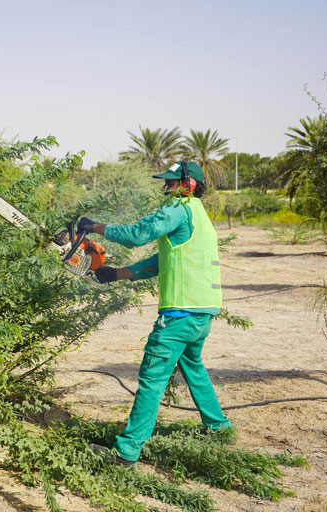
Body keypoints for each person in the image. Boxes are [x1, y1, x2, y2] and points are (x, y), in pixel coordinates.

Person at [78, 161, 231, 466]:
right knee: (194, 368)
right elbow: (161, 261)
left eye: (172, 182)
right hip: (201, 314)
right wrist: (118, 274)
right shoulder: (200, 216)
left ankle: (126, 452)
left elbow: (139, 234)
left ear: (187, 185)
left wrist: (95, 227)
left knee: (152, 380)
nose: (166, 187)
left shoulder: (179, 207)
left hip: (179, 314)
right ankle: (218, 428)